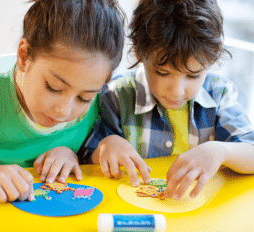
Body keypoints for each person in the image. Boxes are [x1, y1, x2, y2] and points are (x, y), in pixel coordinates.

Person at [79, 0, 254, 200]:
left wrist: (221, 151)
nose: (176, 91)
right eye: (163, 72)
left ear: (211, 60)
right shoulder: (116, 95)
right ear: (140, 53)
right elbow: (84, 158)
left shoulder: (219, 94)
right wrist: (105, 146)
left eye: (193, 75)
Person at [0, 0, 125, 203]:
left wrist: (72, 154)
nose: (63, 111)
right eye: (54, 88)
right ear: (24, 56)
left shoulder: (99, 101)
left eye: (83, 98)